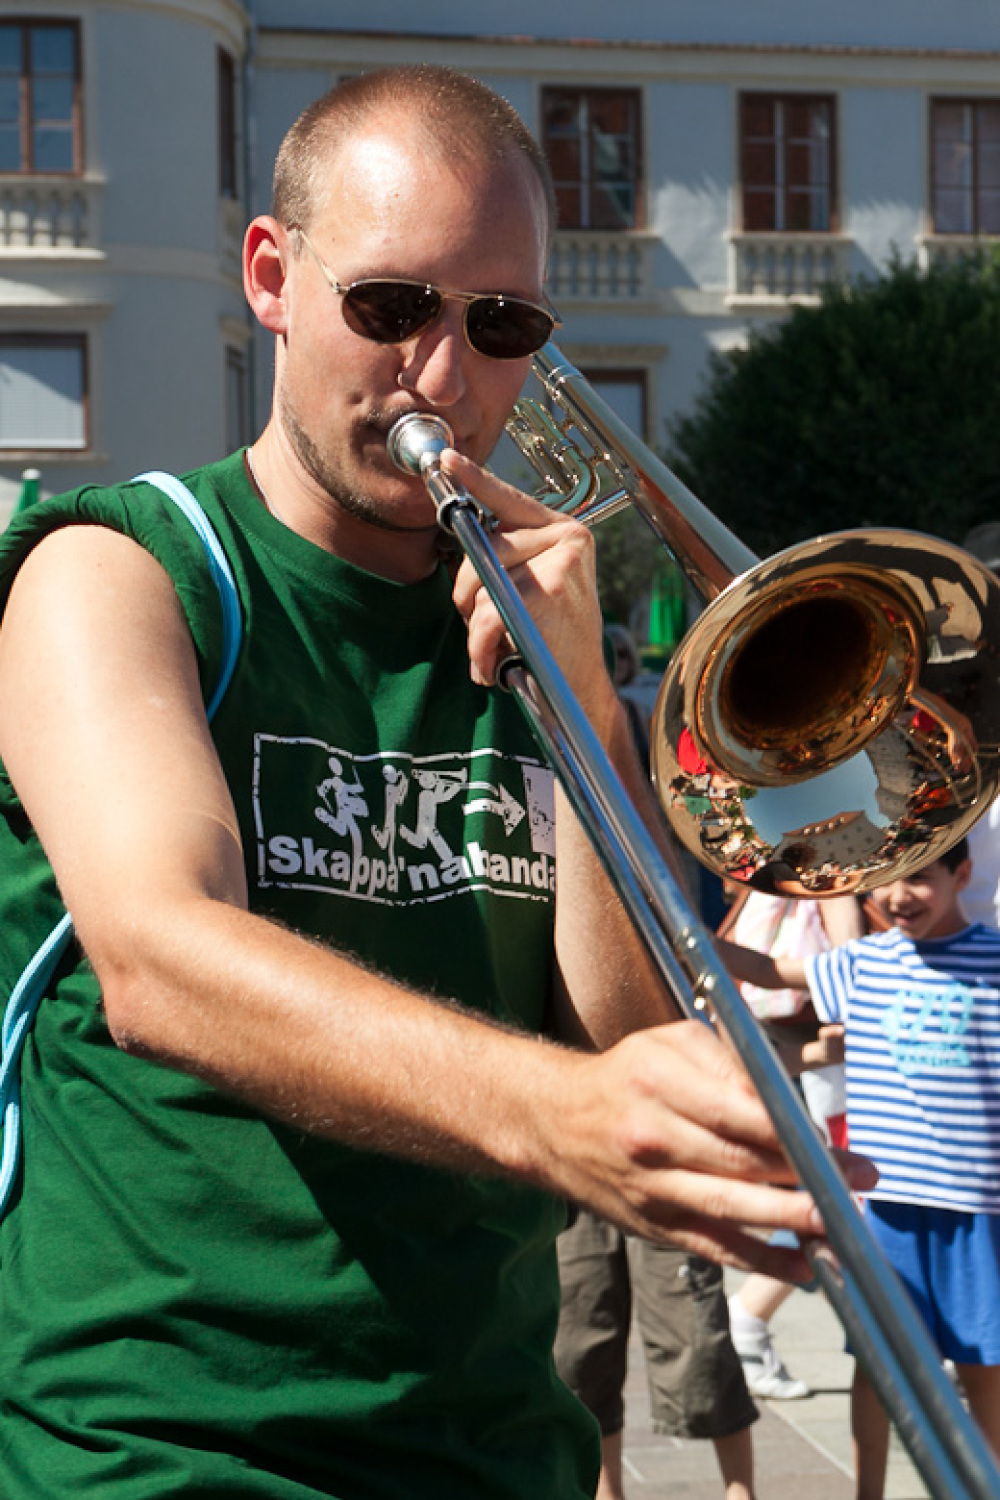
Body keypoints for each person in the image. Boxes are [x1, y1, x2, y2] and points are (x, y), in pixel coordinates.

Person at [0, 67, 871, 1500]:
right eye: (392, 305)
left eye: (502, 324)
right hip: (164, 1448)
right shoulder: (119, 572)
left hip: (494, 1451)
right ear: (272, 279)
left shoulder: (532, 621)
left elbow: (620, 1037)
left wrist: (583, 714)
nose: (447, 378)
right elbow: (160, 958)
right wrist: (555, 1117)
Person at [720, 839, 1000, 1499]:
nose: (899, 896)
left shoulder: (994, 959)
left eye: (920, 877)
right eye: (888, 879)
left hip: (977, 1212)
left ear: (962, 874)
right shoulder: (864, 962)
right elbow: (768, 972)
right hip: (886, 1207)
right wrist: (683, 933)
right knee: (878, 1371)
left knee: (983, 1373)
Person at [721, 887, 863, 1401]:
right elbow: (840, 928)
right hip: (831, 1030)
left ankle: (749, 1318)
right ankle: (749, 1317)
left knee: (843, 1192)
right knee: (848, 1194)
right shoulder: (844, 882)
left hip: (818, 1026)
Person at [555, 1211, 759, 1500]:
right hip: (576, 1194)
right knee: (578, 1353)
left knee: (701, 1349)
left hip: (666, 1192)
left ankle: (742, 1494)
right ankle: (606, 1493)